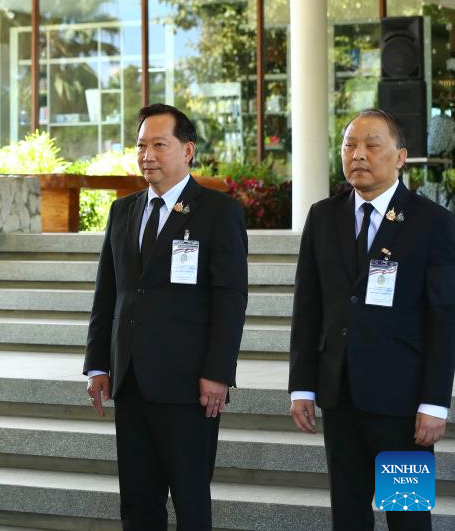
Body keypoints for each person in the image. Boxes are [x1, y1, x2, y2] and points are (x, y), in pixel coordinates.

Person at [83, 103, 248, 531]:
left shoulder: (218, 211)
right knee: (138, 503)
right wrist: (98, 364)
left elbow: (230, 300)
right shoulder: (124, 211)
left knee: (190, 501)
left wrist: (218, 372)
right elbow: (108, 293)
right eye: (141, 146)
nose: (147, 155)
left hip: (189, 384)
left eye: (159, 145)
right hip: (131, 379)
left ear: (187, 150)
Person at [289, 108, 455, 530]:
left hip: (402, 403)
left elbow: (443, 319)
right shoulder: (323, 217)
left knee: (407, 516)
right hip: (340, 395)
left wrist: (435, 402)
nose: (358, 154)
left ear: (400, 157)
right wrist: (302, 386)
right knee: (348, 514)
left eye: (371, 145)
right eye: (349, 146)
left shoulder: (432, 222)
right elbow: (308, 307)